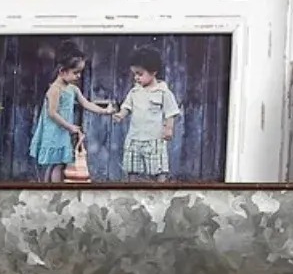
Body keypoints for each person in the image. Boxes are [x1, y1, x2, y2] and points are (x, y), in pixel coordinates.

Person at [28, 45, 116, 183]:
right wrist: (70, 127)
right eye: (76, 72)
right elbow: (52, 113)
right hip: (54, 132)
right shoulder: (55, 90)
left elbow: (86, 104)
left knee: (58, 163)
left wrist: (105, 111)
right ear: (62, 71)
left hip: (62, 132)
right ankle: (53, 191)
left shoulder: (72, 89)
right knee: (56, 164)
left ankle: (48, 190)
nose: (79, 76)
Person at [114, 46, 182, 181]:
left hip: (154, 139)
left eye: (140, 74)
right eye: (134, 74)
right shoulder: (134, 91)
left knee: (158, 170)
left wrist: (169, 128)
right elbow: (127, 106)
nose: (136, 78)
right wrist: (121, 114)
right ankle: (132, 193)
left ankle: (160, 192)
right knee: (132, 169)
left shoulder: (163, 92)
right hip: (135, 137)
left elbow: (171, 112)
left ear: (153, 72)